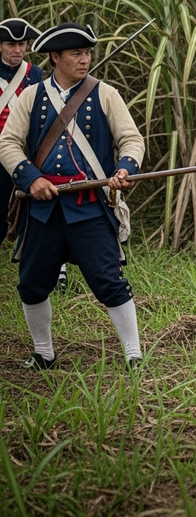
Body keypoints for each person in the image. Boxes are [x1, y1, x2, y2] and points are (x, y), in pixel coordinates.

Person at [0, 22, 146, 369]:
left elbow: (131, 139)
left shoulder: (106, 93)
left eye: (87, 53)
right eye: (76, 54)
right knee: (33, 284)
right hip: (43, 211)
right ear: (55, 57)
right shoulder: (31, 97)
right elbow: (7, 142)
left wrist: (126, 168)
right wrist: (31, 178)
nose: (85, 60)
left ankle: (133, 355)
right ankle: (44, 353)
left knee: (109, 281)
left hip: (90, 207)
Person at [0, 19, 43, 246]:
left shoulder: (35, 74)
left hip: (26, 153)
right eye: (10, 44)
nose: (17, 50)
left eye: (23, 44)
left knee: (31, 210)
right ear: (0, 46)